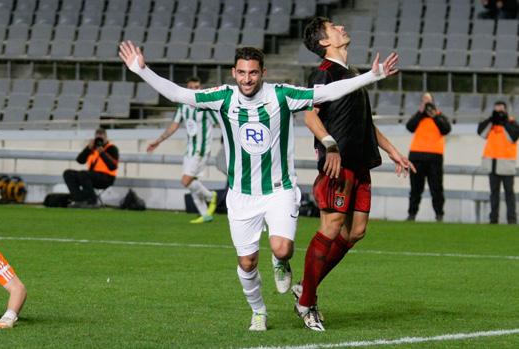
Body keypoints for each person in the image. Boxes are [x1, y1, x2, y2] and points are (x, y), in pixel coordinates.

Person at [118, 40, 398, 331]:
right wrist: (142, 70)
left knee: (282, 249)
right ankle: (258, 311)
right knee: (248, 262)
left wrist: (371, 76)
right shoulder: (223, 98)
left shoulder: (281, 96)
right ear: (233, 73)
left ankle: (280, 263)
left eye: (252, 73)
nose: (246, 78)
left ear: (262, 72)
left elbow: (325, 92)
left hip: (279, 189)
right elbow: (179, 94)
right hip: (241, 195)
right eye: (241, 73)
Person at [291, 17, 415, 332]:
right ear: (323, 42)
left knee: (356, 231)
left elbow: (364, 122)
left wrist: (392, 150)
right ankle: (307, 301)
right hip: (339, 164)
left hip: (360, 163)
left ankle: (306, 285)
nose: (342, 28)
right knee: (331, 227)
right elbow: (309, 115)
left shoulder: (353, 74)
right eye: (334, 28)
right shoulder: (323, 73)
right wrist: (330, 145)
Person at [147, 76, 219, 223]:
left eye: (197, 87)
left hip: (201, 149)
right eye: (191, 87)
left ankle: (211, 196)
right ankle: (205, 215)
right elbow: (173, 127)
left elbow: (220, 123)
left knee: (185, 181)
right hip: (190, 150)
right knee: (192, 182)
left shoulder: (205, 106)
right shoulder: (183, 107)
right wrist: (158, 141)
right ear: (187, 88)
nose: (194, 90)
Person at [405, 93, 452, 222]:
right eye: (424, 101)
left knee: (436, 188)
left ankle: (439, 215)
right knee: (415, 189)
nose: (427, 105)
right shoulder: (418, 116)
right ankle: (412, 214)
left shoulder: (440, 116)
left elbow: (446, 129)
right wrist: (420, 113)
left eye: (429, 101)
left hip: (434, 157)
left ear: (433, 102)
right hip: (416, 155)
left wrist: (434, 115)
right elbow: (409, 127)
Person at [477, 101, 519, 224]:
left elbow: (513, 136)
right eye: (496, 111)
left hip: (506, 165)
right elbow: (481, 132)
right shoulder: (491, 125)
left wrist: (504, 122)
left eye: (501, 111)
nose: (499, 114)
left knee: (509, 194)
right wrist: (492, 119)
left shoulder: (512, 124)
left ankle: (511, 219)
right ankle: (493, 219)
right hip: (492, 164)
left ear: (506, 111)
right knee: (493, 194)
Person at [63, 128, 118, 208]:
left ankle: (92, 200)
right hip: (90, 176)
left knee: (84, 174)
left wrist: (102, 153)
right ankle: (79, 199)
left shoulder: (112, 148)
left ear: (106, 138)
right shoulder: (92, 148)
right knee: (68, 173)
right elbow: (80, 160)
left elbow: (113, 166)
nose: (99, 140)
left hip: (107, 177)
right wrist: (88, 148)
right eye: (97, 137)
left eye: (101, 137)